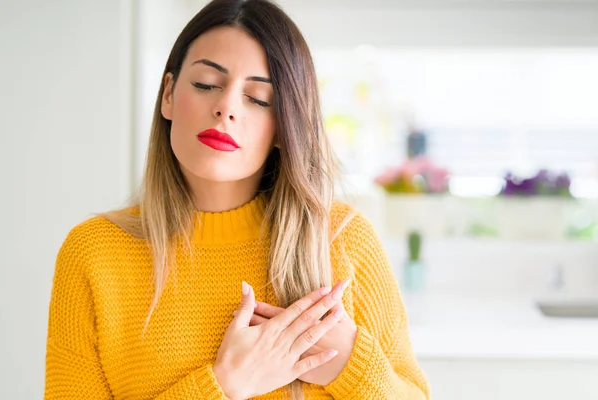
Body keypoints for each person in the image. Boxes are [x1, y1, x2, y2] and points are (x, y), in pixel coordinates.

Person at [43, 0, 430, 399]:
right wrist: (225, 386)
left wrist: (351, 365)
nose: (226, 106)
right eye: (207, 84)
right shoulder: (93, 254)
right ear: (169, 95)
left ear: (284, 125)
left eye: (259, 99)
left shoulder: (344, 241)